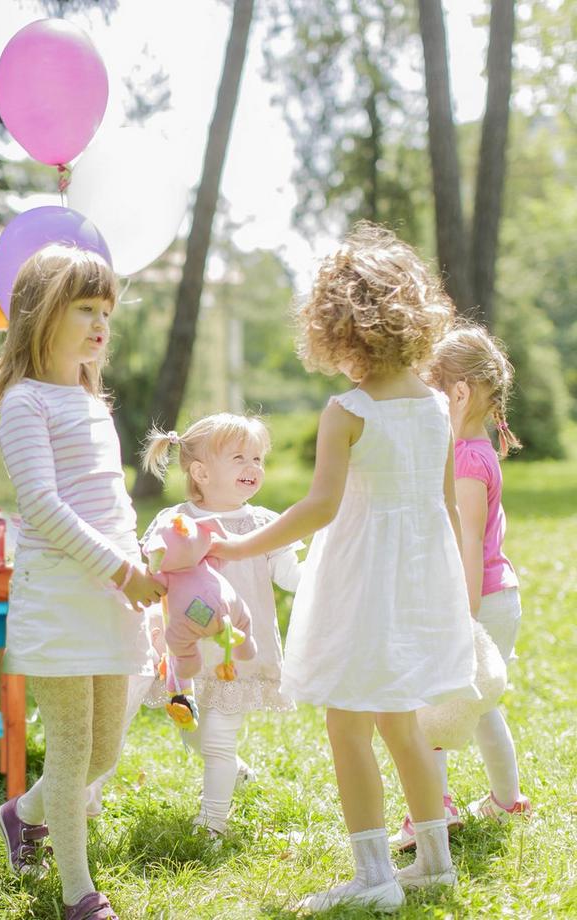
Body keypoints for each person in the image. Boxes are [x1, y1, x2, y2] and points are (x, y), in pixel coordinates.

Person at [211, 223, 479, 913]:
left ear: (337, 329)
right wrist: (453, 594)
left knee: (348, 723)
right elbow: (445, 506)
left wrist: (241, 545)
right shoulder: (435, 406)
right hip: (419, 576)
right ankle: (436, 864)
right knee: (403, 722)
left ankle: (374, 878)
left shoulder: (347, 411)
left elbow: (320, 507)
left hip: (362, 578)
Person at [0, 244, 165, 920]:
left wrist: (141, 559)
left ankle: (21, 814)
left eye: (105, 312)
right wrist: (121, 571)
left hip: (112, 591)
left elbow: (108, 501)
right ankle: (78, 894)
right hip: (62, 594)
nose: (99, 325)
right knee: (69, 747)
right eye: (84, 308)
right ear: (41, 314)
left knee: (103, 749)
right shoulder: (25, 403)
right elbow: (44, 506)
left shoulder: (91, 400)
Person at [390, 323, 531, 851]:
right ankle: (505, 800)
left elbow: (470, 541)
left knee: (432, 699)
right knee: (476, 703)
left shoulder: (468, 460)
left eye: (429, 387)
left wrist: (461, 613)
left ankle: (435, 807)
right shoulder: (472, 449)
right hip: (496, 597)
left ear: (458, 393)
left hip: (476, 601)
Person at [138, 414, 301, 839]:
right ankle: (237, 772)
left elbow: (290, 575)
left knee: (219, 739)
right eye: (240, 458)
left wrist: (327, 577)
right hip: (186, 654)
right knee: (194, 734)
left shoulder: (264, 523)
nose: (253, 468)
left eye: (258, 458)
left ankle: (213, 822)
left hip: (237, 654)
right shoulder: (175, 524)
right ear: (202, 472)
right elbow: (152, 573)